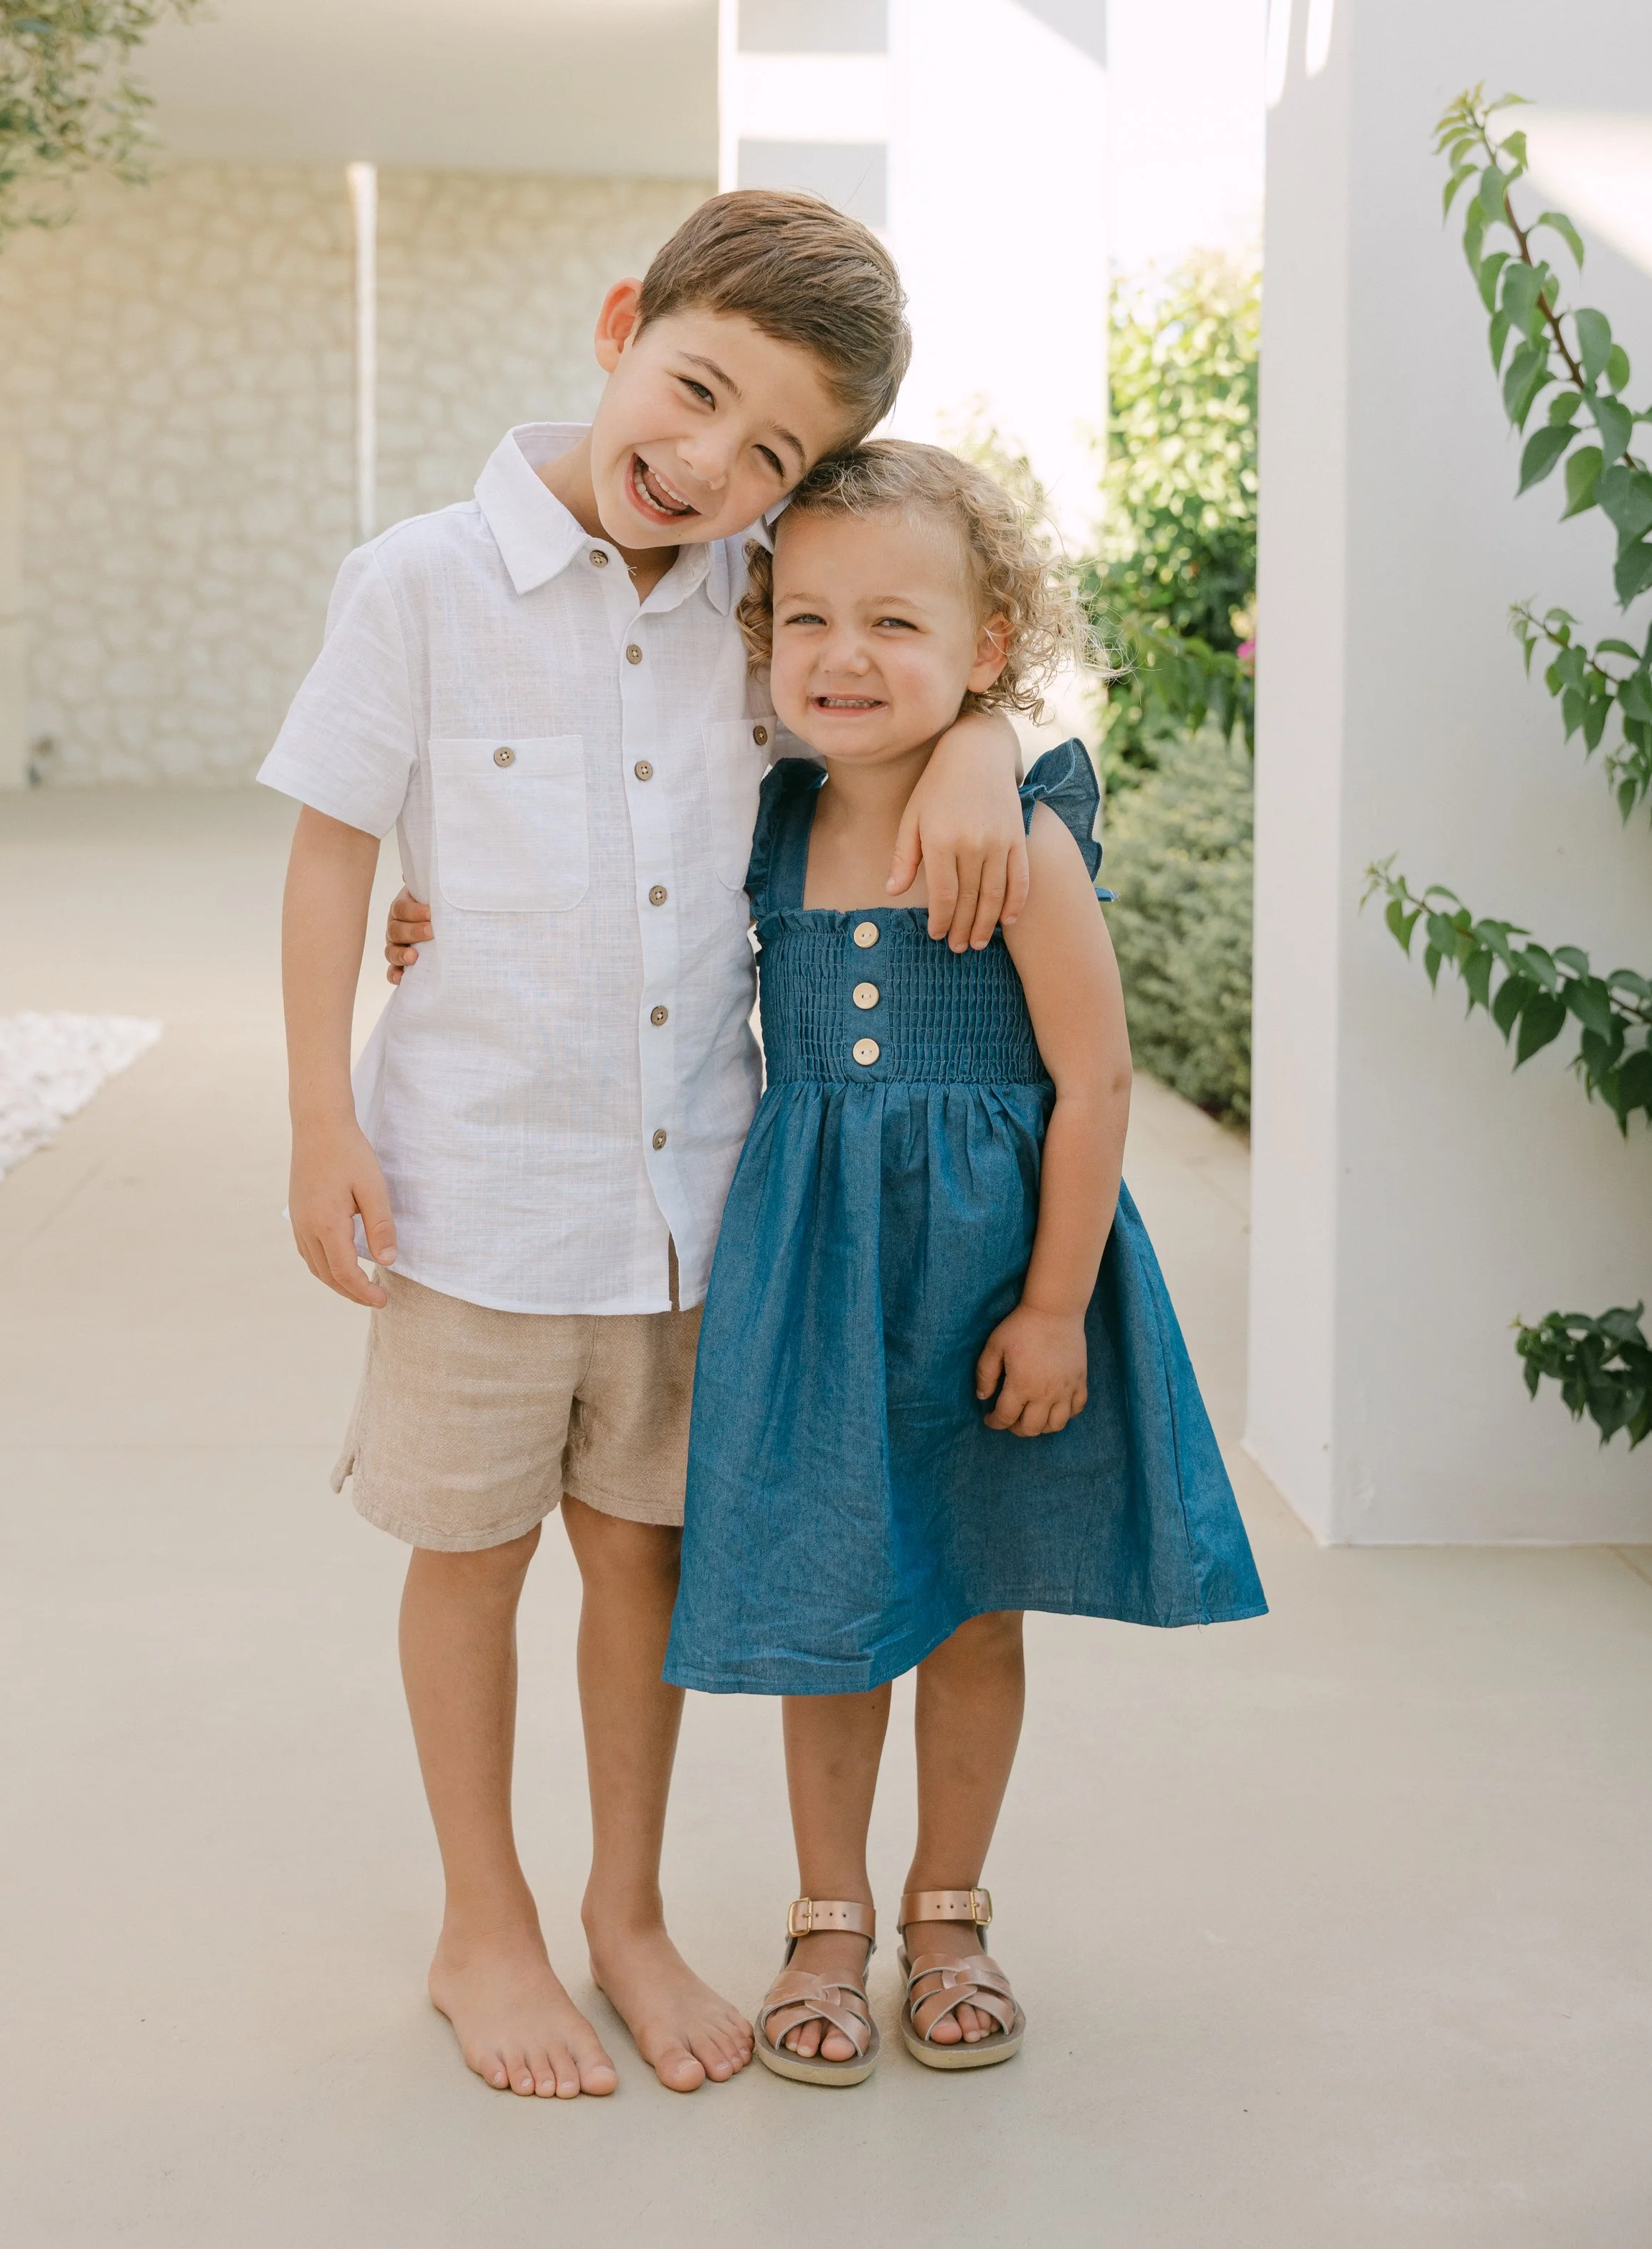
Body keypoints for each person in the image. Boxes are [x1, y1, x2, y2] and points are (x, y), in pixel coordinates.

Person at [261, 193, 1030, 2104]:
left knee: (643, 1562)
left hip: (694, 1204)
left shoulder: (765, 605)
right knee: (468, 1558)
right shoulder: (418, 580)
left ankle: (626, 1905)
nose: (707, 463)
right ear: (622, 323)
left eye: (769, 451)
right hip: (473, 1191)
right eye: (694, 391)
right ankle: (484, 1919)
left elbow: (906, 680)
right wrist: (318, 1112)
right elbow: (335, 847)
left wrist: (983, 745)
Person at [658, 438, 1267, 2085]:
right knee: (829, 1602)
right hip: (821, 1280)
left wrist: (1056, 1301)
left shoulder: (1021, 837)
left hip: (991, 1275)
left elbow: (1096, 1076)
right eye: (804, 618)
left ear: (985, 641)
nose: (841, 655)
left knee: (972, 1604)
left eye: (893, 622)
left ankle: (946, 1914)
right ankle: (825, 1919)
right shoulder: (765, 821)